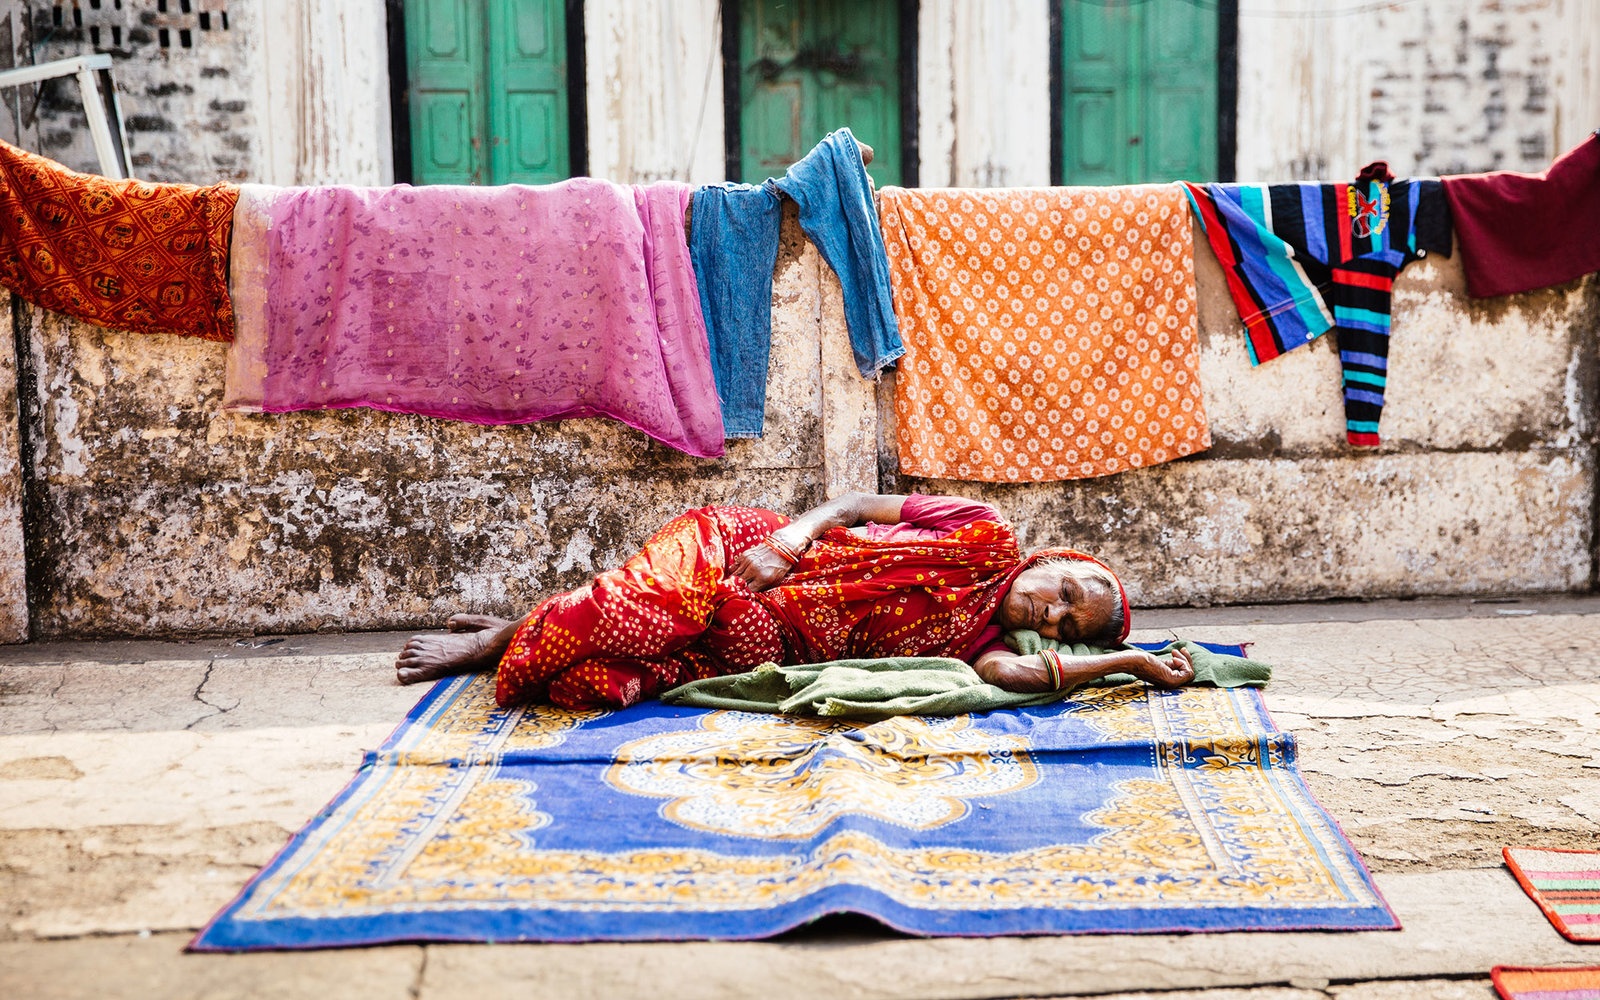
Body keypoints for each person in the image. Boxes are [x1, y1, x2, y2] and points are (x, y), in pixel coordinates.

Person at [395, 493, 1194, 709]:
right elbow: (851, 505)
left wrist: (1128, 661)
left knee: (602, 681)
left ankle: (522, 628)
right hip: (765, 553)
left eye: (1064, 626)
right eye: (1061, 594)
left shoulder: (981, 644)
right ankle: (494, 643)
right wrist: (787, 542)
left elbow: (1017, 679)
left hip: (768, 638)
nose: (1048, 614)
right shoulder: (984, 530)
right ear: (1055, 561)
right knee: (663, 601)